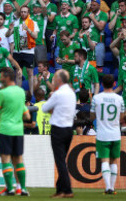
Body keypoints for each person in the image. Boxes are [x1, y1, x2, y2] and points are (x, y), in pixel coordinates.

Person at [0, 67, 30, 196]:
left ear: (7, 78)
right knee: (18, 159)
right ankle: (22, 188)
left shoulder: (3, 93)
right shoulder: (21, 92)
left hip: (5, 129)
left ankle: (10, 189)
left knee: (6, 159)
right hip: (18, 131)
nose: (0, 79)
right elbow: (27, 116)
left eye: (1, 76)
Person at [42, 70, 76, 198]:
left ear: (59, 80)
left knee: (60, 161)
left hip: (58, 129)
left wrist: (51, 98)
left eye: (55, 78)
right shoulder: (72, 93)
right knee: (62, 160)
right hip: (69, 128)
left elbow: (45, 108)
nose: (53, 80)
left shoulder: (58, 93)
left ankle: (67, 190)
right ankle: (60, 189)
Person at [90, 74, 126, 195]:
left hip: (102, 134)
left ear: (102, 84)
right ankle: (112, 187)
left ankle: (107, 187)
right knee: (114, 161)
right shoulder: (119, 99)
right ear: (114, 84)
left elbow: (92, 116)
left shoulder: (96, 98)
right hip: (116, 133)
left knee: (104, 161)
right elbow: (122, 117)